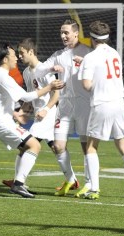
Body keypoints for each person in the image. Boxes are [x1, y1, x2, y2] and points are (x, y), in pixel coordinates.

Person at [0, 43, 64, 198]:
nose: (16, 57)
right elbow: (27, 96)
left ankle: (18, 181)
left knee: (25, 148)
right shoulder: (2, 76)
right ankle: (18, 184)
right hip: (1, 122)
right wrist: (49, 87)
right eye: (13, 55)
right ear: (4, 59)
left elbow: (3, 99)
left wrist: (17, 113)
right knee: (34, 145)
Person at [78, 20, 124, 200]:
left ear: (91, 38)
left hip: (102, 104)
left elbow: (86, 85)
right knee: (122, 144)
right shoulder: (115, 53)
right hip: (118, 104)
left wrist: (84, 66)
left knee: (91, 146)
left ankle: (94, 189)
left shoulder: (90, 58)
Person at [34, 19, 93, 197]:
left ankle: (90, 183)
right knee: (58, 146)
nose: (63, 36)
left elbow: (99, 74)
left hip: (84, 105)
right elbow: (38, 71)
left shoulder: (88, 52)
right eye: (61, 32)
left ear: (76, 33)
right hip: (65, 105)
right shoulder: (58, 55)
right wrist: (52, 68)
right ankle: (70, 179)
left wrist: (84, 62)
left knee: (86, 147)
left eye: (66, 32)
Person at [2, 38, 59, 189]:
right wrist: (22, 112)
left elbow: (56, 94)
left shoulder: (45, 69)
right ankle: (72, 179)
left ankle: (18, 182)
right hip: (39, 116)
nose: (19, 56)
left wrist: (46, 109)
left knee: (27, 145)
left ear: (31, 52)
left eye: (22, 53)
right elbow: (30, 96)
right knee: (56, 148)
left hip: (48, 114)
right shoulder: (27, 72)